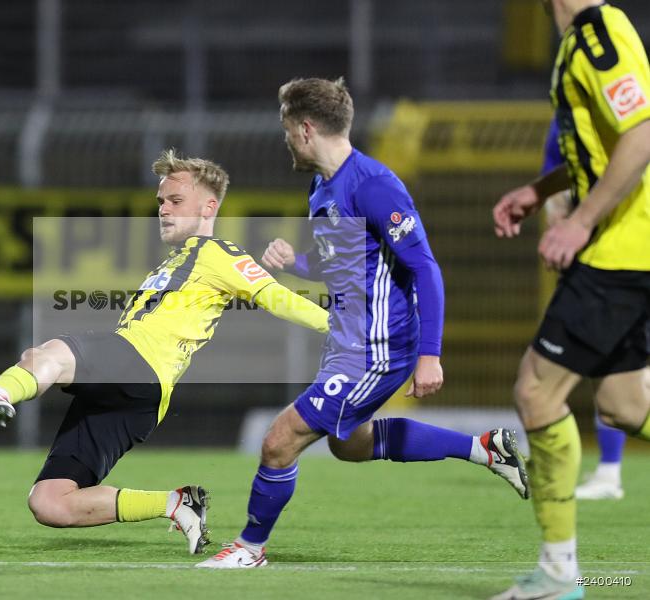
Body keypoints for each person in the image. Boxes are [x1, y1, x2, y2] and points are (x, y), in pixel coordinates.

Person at [196, 77, 530, 570]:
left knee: (279, 440)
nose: (286, 139)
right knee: (348, 444)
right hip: (349, 342)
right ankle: (485, 449)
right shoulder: (322, 187)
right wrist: (299, 264)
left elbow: (425, 268)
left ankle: (248, 547)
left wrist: (430, 354)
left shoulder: (373, 185)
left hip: (379, 348)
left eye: (288, 129)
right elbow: (349, 264)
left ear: (306, 128)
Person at [0, 149, 332, 555]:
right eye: (161, 201)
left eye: (175, 201)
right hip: (137, 397)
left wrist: (340, 328)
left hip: (138, 363)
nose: (163, 209)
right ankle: (178, 504)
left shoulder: (219, 254)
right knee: (50, 503)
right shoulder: (177, 261)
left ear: (209, 206)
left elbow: (278, 298)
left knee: (50, 351)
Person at [491, 0, 650, 597]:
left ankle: (558, 575)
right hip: (625, 248)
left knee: (535, 391)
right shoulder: (581, 38)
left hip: (620, 251)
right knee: (624, 407)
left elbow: (641, 136)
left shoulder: (600, 34)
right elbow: (603, 149)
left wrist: (580, 222)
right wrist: (539, 190)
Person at [541, 119, 630, 502]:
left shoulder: (617, 103)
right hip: (604, 255)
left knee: (537, 385)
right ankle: (608, 470)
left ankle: (606, 472)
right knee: (615, 368)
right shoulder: (567, 113)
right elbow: (555, 172)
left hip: (621, 257)